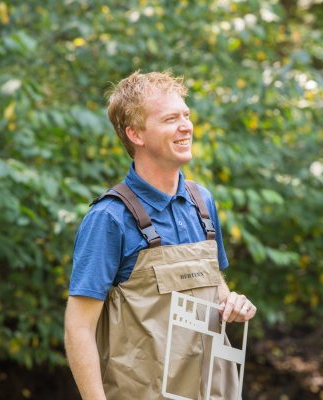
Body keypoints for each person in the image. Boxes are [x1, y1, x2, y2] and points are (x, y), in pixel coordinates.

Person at [64, 71, 257, 400]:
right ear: (136, 133)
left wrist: (232, 302)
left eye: (186, 115)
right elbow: (78, 327)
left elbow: (213, 284)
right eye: (171, 119)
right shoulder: (110, 218)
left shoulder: (202, 202)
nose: (186, 126)